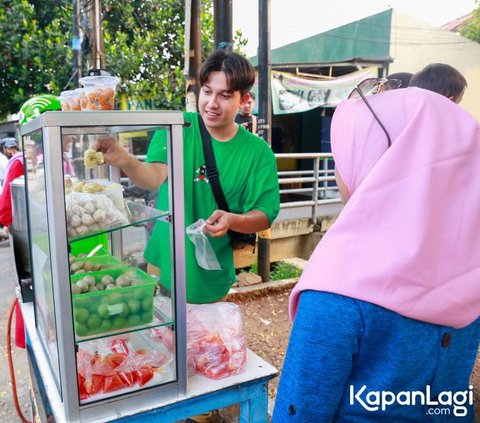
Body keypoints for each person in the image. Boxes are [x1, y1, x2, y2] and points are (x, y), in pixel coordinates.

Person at [272, 87, 480, 422]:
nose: (341, 172)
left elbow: (301, 411)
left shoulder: (336, 285)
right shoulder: (469, 267)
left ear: (382, 165)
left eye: (344, 158)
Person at [93, 50, 280, 305]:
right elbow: (153, 178)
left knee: (205, 343)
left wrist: (233, 220)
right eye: (207, 91)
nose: (212, 103)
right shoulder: (177, 127)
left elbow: (264, 214)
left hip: (210, 276)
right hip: (162, 264)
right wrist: (125, 159)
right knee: (164, 340)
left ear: (243, 99)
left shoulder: (258, 153)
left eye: (224, 95)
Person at [0, 138, 24, 230]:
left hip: (18, 214)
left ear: (9, 148)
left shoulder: (16, 163)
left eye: (5, 150)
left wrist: (5, 216)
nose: (5, 153)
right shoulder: (22, 159)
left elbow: (8, 192)